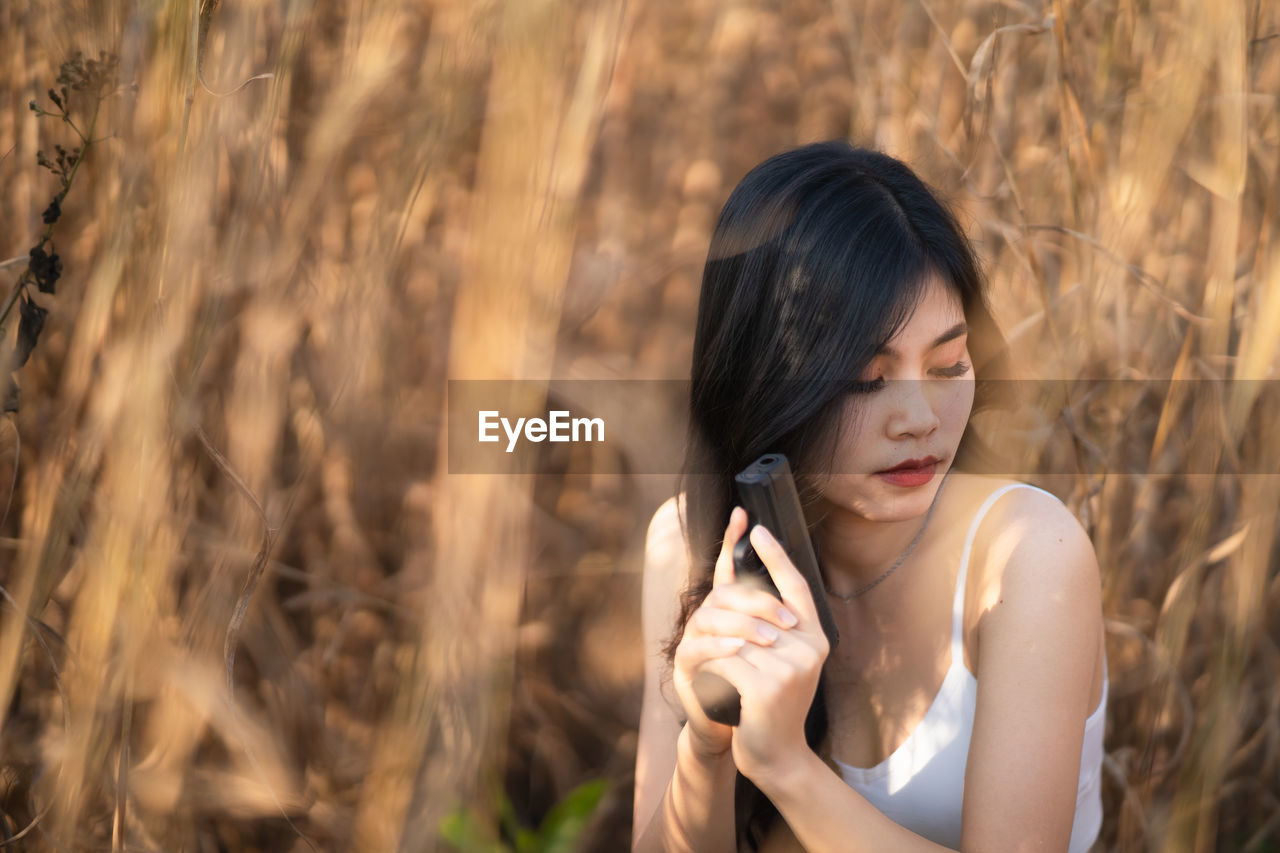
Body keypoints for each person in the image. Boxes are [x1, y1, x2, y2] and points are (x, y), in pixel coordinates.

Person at [631, 141, 1107, 852]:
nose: (918, 416)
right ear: (762, 380)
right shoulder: (690, 542)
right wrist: (705, 744)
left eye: (949, 364)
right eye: (864, 379)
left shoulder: (1025, 554)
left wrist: (789, 769)